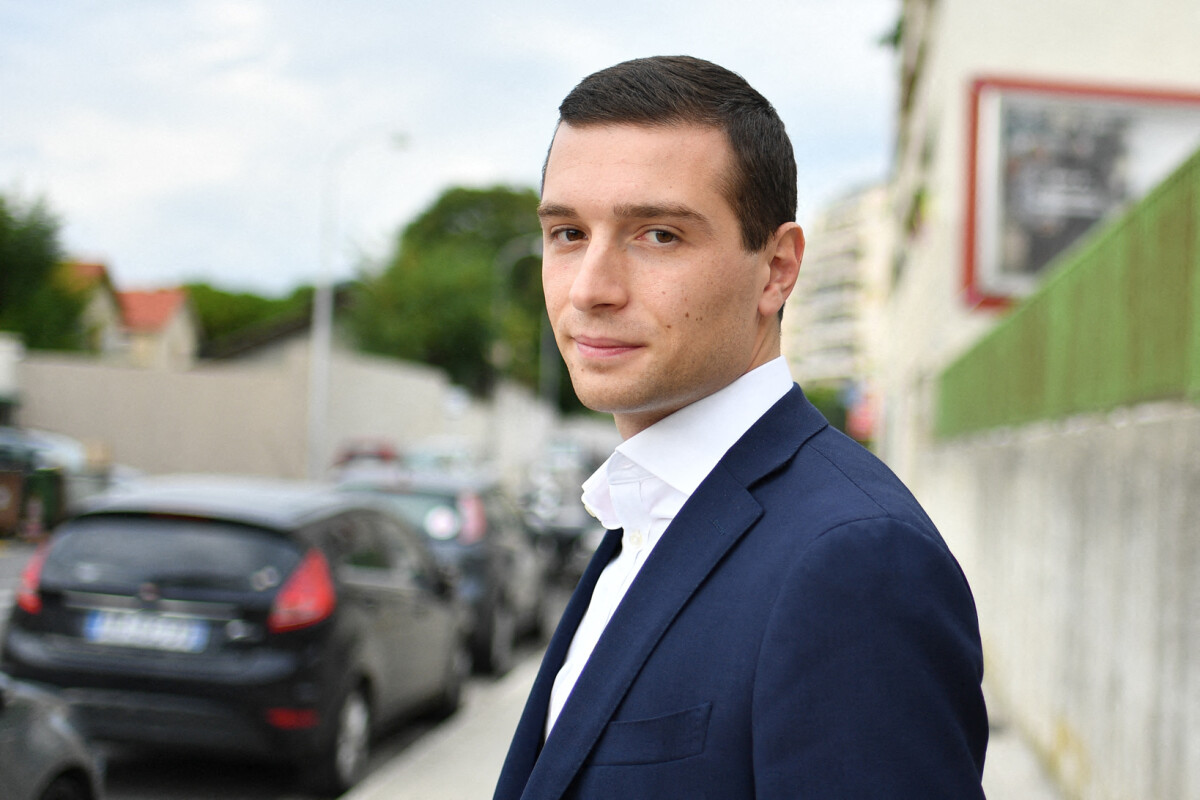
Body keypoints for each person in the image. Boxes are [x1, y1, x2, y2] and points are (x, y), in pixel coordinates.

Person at [493, 55, 988, 800]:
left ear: (777, 270)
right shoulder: (647, 508)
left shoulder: (854, 562)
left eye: (657, 234)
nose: (589, 289)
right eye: (567, 233)